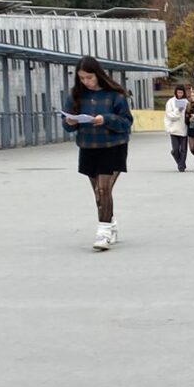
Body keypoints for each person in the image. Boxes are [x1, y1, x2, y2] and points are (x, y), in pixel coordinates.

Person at [61, 56, 133, 251]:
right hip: (88, 146)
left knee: (104, 189)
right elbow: (67, 125)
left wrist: (106, 119)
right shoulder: (75, 96)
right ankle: (110, 223)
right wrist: (70, 122)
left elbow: (126, 122)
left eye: (89, 77)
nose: (86, 82)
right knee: (98, 193)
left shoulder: (115, 95)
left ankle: (103, 231)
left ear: (98, 75)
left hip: (113, 146)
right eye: (82, 78)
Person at [164, 85, 189, 171]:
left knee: (184, 149)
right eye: (178, 92)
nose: (180, 94)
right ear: (175, 92)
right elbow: (169, 115)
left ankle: (181, 166)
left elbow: (188, 113)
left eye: (181, 92)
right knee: (175, 149)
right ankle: (180, 162)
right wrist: (178, 110)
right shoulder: (170, 102)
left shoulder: (186, 102)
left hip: (184, 128)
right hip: (173, 129)